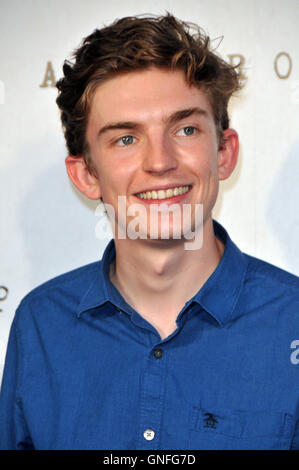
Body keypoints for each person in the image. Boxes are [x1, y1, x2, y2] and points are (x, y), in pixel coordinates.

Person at [0, 13, 298, 450]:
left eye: (186, 129)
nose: (160, 162)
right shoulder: (40, 324)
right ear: (86, 175)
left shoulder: (292, 320)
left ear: (224, 153)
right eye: (125, 138)